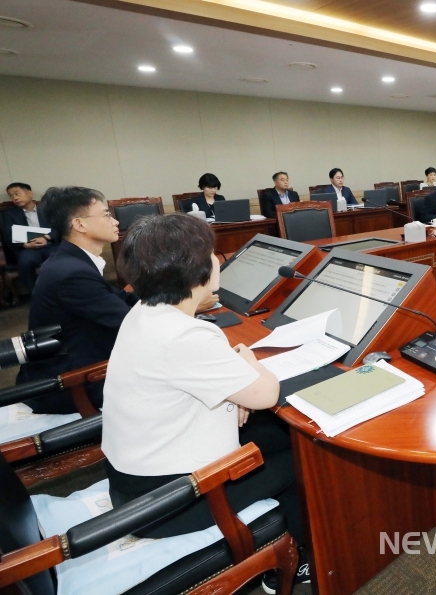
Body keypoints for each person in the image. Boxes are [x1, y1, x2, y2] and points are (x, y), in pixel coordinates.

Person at [101, 213, 309, 591]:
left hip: (135, 483)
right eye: (212, 253)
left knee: (274, 433)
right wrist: (247, 361)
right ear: (195, 269)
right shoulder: (186, 336)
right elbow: (267, 393)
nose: (218, 259)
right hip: (172, 502)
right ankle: (294, 565)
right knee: (306, 458)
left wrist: (235, 389)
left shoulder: (145, 314)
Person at [15, 187, 139, 413]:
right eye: (105, 214)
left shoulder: (71, 260)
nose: (115, 221)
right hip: (73, 382)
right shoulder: (71, 273)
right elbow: (131, 324)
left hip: (81, 358)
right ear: (79, 224)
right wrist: (183, 307)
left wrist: (167, 297)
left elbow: (120, 299)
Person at [1, 183, 57, 293]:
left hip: (50, 245)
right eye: (11, 196)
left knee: (61, 259)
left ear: (29, 193)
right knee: (25, 262)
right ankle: (35, 293)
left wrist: (46, 237)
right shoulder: (9, 214)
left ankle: (62, 291)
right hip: (27, 248)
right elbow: (7, 235)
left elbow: (59, 228)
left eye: (17, 194)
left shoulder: (48, 209)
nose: (15, 198)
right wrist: (25, 244)